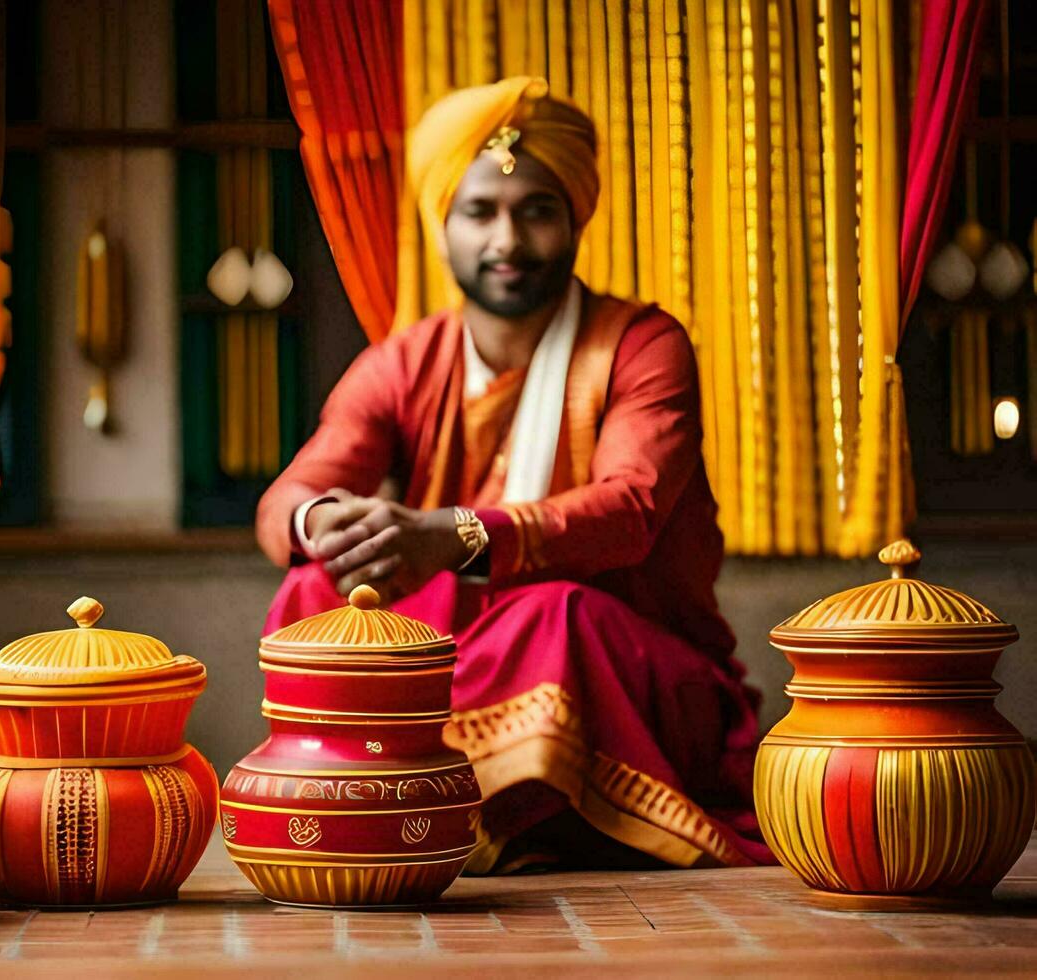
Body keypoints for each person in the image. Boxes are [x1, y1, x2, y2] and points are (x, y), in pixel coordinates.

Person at [255, 76, 772, 872]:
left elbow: (628, 509)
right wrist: (326, 524)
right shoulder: (405, 361)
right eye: (480, 212)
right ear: (443, 227)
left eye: (536, 209)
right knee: (315, 590)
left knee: (555, 616)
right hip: (472, 663)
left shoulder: (640, 345)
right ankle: (391, 803)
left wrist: (456, 535)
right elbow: (289, 498)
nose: (507, 239)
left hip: (632, 685)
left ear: (574, 218)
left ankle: (476, 809)